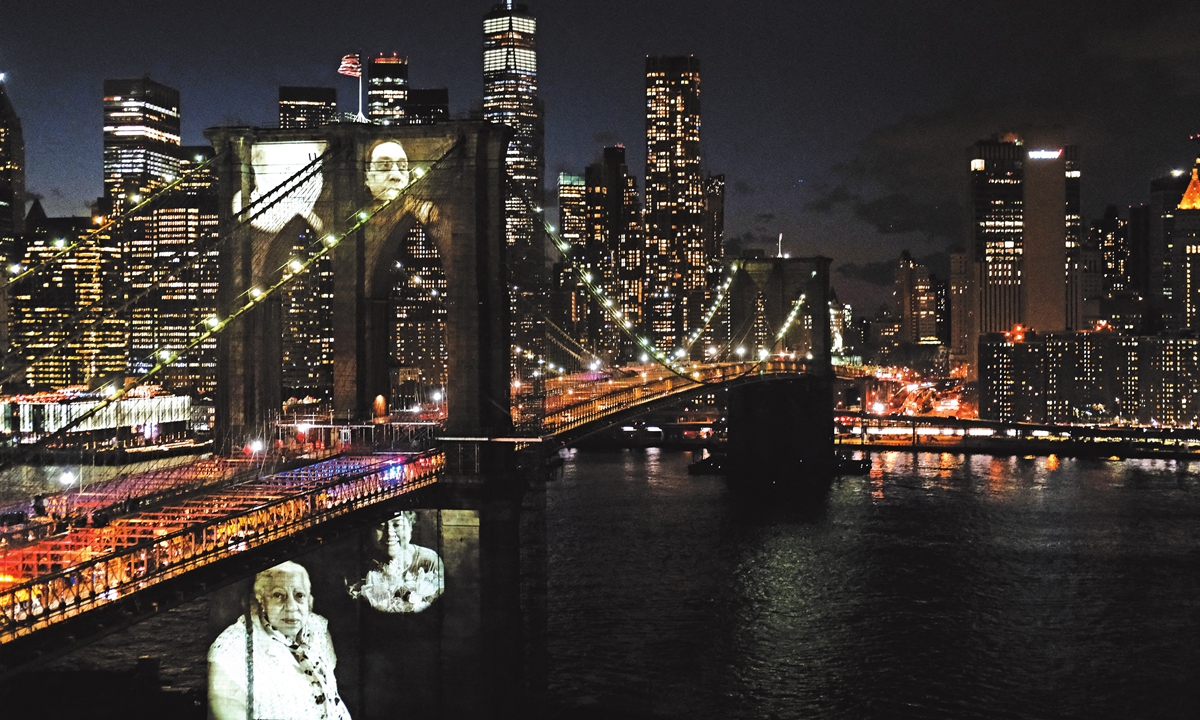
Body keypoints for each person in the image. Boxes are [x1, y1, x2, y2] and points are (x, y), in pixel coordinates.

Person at [208, 562, 351, 720]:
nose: (291, 607)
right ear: (262, 601)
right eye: (278, 595)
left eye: (299, 595)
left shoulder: (317, 629)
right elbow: (226, 707)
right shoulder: (231, 650)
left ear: (309, 601)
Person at [347, 511, 443, 613]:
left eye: (397, 525)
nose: (389, 533)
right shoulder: (360, 564)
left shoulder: (430, 561)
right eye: (380, 526)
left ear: (410, 526)